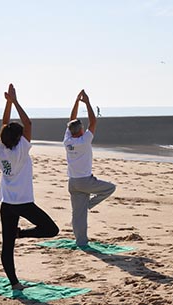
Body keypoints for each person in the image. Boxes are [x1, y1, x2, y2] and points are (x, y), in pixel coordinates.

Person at [0, 84, 59, 290]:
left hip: (7, 204)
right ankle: (21, 234)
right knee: (51, 229)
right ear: (18, 139)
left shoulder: (1, 149)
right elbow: (28, 122)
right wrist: (14, 101)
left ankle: (14, 284)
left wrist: (8, 103)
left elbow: (5, 124)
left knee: (7, 247)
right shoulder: (21, 151)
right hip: (23, 203)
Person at [64, 90, 116, 247]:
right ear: (81, 130)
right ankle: (90, 204)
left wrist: (75, 102)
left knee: (78, 214)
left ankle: (81, 241)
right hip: (85, 181)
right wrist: (86, 102)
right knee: (110, 188)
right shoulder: (84, 140)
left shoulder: (67, 140)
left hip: (72, 182)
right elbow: (93, 122)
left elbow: (71, 120)